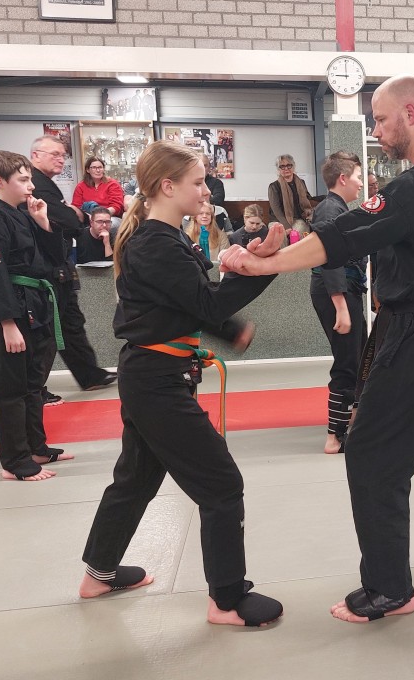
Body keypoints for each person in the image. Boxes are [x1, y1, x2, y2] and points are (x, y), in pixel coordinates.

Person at [221, 75, 414, 624]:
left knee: (370, 453)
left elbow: (344, 235)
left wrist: (265, 263)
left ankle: (389, 589)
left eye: (381, 119)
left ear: (411, 113)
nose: (377, 131)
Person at [78, 139, 284, 627]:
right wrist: (263, 267)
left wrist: (238, 291)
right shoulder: (155, 243)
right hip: (156, 383)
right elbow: (207, 303)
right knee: (221, 484)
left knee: (135, 479)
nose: (207, 189)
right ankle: (227, 600)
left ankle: (98, 574)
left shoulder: (168, 239)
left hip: (154, 375)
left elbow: (187, 303)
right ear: (167, 187)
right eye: (198, 182)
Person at [0, 151, 75, 481]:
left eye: (30, 179)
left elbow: (54, 259)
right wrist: (7, 323)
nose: (31, 185)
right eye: (23, 179)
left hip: (35, 305)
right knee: (11, 387)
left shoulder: (23, 215)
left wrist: (43, 223)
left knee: (33, 385)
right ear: (0, 182)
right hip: (13, 308)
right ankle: (14, 461)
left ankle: (35, 447)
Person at [29, 135, 117, 396]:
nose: (60, 159)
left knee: (71, 324)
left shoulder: (48, 185)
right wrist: (73, 213)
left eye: (63, 155)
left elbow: (69, 219)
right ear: (36, 156)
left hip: (59, 267)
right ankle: (33, 389)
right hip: (45, 268)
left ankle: (90, 375)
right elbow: (69, 220)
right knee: (49, 330)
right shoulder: (37, 184)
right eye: (54, 154)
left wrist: (72, 213)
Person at [310, 152, 367, 455]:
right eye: (358, 177)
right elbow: (329, 258)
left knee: (359, 355)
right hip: (336, 292)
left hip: (346, 290)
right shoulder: (329, 210)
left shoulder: (337, 208)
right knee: (347, 360)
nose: (361, 183)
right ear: (343, 179)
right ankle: (335, 436)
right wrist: (341, 307)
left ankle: (355, 417)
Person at [73, 156, 125, 229]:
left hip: (110, 217)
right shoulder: (80, 186)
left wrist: (100, 217)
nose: (98, 170)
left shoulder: (112, 184)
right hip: (88, 217)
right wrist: (89, 217)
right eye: (94, 168)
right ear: (88, 170)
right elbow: (76, 207)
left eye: (100, 167)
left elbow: (116, 206)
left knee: (108, 225)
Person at [267, 154, 313, 237]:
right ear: (278, 169)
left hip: (297, 219)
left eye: (289, 165)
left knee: (301, 228)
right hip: (278, 220)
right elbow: (276, 209)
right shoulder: (273, 186)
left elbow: (308, 198)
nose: (286, 169)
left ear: (293, 166)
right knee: (279, 233)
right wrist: (286, 226)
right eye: (282, 166)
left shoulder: (301, 183)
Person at [185, 201, 228, 265]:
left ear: (211, 217)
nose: (205, 216)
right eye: (201, 213)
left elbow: (226, 259)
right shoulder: (187, 236)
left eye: (208, 214)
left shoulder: (221, 236)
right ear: (195, 217)